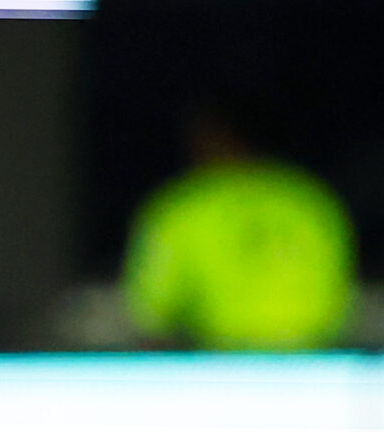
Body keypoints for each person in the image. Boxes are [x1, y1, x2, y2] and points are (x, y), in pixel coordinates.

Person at [123, 99, 352, 349]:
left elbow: (150, 317)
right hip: (314, 360)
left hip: (223, 363)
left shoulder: (181, 207)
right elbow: (342, 302)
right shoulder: (311, 199)